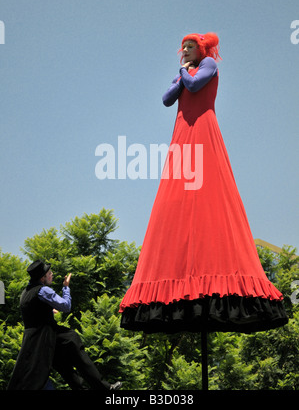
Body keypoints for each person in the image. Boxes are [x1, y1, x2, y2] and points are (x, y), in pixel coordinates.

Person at [119, 32, 288, 334]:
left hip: (203, 128)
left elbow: (196, 85)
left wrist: (183, 72)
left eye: (189, 47)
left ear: (201, 49)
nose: (184, 51)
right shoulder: (185, 72)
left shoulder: (208, 65)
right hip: (183, 133)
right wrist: (181, 74)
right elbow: (166, 99)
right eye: (182, 48)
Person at [8, 260, 122, 391]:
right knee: (73, 339)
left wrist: (48, 310)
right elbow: (66, 306)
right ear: (42, 277)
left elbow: (32, 310)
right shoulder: (44, 290)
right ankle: (104, 387)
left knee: (63, 365)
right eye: (49, 273)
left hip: (33, 341)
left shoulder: (25, 293)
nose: (52, 275)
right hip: (46, 334)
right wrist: (66, 287)